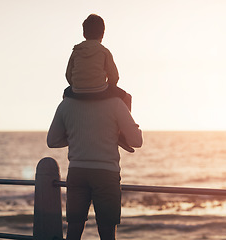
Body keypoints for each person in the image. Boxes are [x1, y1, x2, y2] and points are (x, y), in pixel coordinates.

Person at [47, 95, 143, 239]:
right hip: (106, 174)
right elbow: (136, 141)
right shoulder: (115, 103)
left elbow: (52, 141)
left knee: (73, 230)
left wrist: (78, 136)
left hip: (77, 173)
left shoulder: (66, 104)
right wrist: (114, 134)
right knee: (107, 232)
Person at [64, 13, 134, 152]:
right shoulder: (104, 51)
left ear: (84, 34)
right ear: (102, 34)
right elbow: (114, 76)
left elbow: (68, 74)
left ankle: (66, 128)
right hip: (100, 89)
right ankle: (123, 135)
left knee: (65, 96)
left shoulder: (76, 51)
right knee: (127, 97)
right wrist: (109, 91)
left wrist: (76, 85)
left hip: (77, 91)